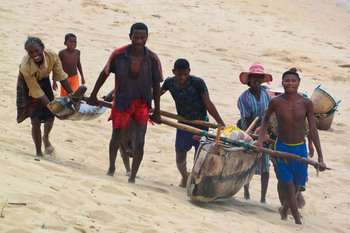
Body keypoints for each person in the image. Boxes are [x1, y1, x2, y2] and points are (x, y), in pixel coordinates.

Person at [87, 22, 163, 183]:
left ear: (147, 39)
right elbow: (104, 73)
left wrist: (157, 110)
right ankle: (111, 167)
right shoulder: (118, 54)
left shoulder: (153, 59)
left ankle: (133, 176)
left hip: (142, 104)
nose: (139, 40)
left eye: (143, 37)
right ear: (130, 37)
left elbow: (156, 85)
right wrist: (93, 95)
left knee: (140, 141)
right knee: (116, 136)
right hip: (122, 101)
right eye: (136, 37)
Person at [254, 69, 326, 224]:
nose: (290, 83)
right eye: (287, 81)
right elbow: (265, 120)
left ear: (298, 83)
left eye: (293, 81)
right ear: (283, 83)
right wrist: (260, 140)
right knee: (288, 185)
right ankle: (296, 222)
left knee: (298, 185)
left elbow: (312, 129)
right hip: (281, 148)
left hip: (300, 148)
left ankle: (284, 210)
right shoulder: (276, 102)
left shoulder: (306, 103)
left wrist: (320, 156)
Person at [161, 58, 225, 188]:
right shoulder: (169, 83)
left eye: (185, 74)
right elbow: (157, 95)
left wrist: (220, 123)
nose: (182, 77)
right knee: (180, 156)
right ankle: (184, 176)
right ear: (174, 72)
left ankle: (194, 181)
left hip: (201, 123)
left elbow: (208, 104)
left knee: (199, 156)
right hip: (183, 123)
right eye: (179, 74)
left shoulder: (198, 83)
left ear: (189, 72)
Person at [17, 36, 74, 156]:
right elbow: (36, 91)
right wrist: (53, 109)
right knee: (35, 120)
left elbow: (61, 76)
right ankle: (38, 152)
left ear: (42, 47)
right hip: (28, 87)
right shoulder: (25, 66)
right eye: (31, 53)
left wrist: (72, 95)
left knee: (50, 118)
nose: (35, 55)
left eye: (37, 51)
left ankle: (46, 138)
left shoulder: (52, 56)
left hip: (44, 81)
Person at [237, 64, 272, 203]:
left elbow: (272, 113)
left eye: (259, 77)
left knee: (265, 166)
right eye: (254, 77)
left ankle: (263, 198)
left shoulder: (267, 93)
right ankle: (246, 193)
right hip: (249, 131)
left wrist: (265, 132)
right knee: (248, 163)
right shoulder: (244, 97)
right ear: (249, 80)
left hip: (265, 133)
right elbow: (246, 118)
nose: (257, 80)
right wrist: (257, 132)